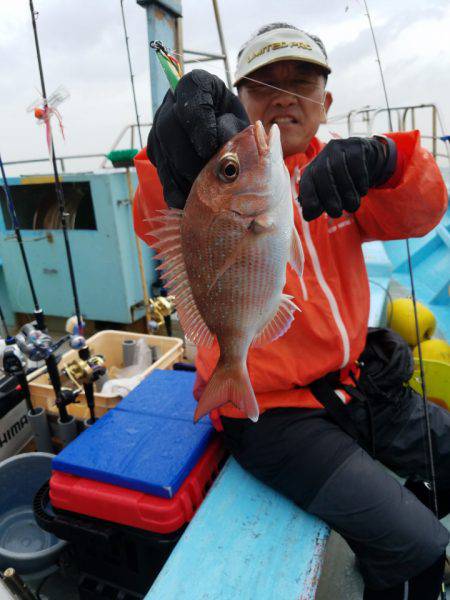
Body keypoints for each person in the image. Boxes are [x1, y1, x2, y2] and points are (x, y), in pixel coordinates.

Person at [133, 23, 449, 599]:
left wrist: (388, 160)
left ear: (325, 103)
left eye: (300, 83)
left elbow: (421, 213)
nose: (282, 96)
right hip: (272, 411)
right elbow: (157, 210)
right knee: (419, 549)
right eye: (262, 85)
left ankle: (406, 508)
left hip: (358, 382)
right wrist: (165, 156)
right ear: (238, 104)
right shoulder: (215, 177)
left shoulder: (345, 169)